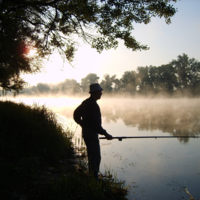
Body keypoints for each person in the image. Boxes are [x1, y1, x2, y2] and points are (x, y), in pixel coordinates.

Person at [73, 83, 112, 180]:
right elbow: (95, 124)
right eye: (100, 92)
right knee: (95, 156)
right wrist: (105, 133)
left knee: (92, 154)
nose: (101, 94)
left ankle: (92, 175)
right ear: (95, 93)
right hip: (91, 133)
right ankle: (94, 178)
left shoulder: (86, 102)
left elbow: (76, 114)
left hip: (87, 132)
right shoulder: (92, 105)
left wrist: (82, 124)